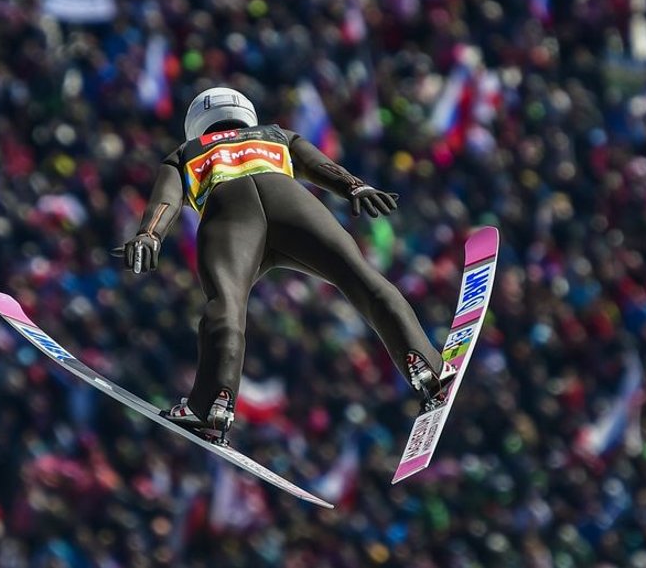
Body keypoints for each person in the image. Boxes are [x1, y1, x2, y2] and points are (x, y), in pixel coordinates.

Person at [119, 87, 456, 442]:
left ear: (195, 125)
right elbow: (317, 164)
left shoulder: (185, 153)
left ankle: (213, 405)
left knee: (226, 305)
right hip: (292, 204)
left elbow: (166, 200)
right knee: (359, 277)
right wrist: (354, 187)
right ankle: (424, 364)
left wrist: (150, 235)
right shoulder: (276, 133)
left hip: (230, 216)